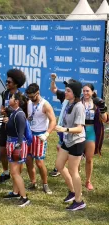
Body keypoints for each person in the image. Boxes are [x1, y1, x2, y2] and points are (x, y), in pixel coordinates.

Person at [55, 80, 86, 211]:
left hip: (77, 142)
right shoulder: (69, 103)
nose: (66, 92)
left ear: (75, 94)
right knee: (59, 165)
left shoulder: (79, 106)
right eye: (66, 90)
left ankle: (79, 201)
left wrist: (64, 130)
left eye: (68, 91)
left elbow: (79, 128)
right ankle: (73, 191)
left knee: (74, 171)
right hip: (67, 141)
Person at [0, 69, 26, 184]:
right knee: (2, 150)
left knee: (16, 153)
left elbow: (22, 114)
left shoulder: (20, 96)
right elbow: (3, 107)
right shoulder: (5, 93)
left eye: (9, 82)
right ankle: (5, 172)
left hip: (14, 126)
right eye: (6, 81)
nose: (6, 83)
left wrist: (10, 116)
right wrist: (3, 111)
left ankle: (17, 175)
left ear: (16, 84)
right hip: (4, 124)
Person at [25, 83, 56, 194]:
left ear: (38, 93)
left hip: (40, 135)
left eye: (32, 96)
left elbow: (53, 120)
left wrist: (47, 134)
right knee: (28, 160)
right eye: (29, 96)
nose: (30, 98)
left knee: (39, 162)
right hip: (29, 134)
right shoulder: (29, 102)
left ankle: (45, 184)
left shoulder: (45, 105)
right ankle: (33, 183)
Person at [3, 92, 30, 207]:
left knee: (14, 172)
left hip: (16, 144)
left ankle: (24, 197)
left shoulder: (19, 114)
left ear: (17, 101)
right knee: (16, 171)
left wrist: (17, 148)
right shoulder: (14, 113)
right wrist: (7, 122)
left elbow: (20, 133)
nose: (9, 99)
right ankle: (15, 192)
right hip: (11, 143)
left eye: (12, 98)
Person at [49, 74, 77, 177]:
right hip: (61, 129)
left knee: (63, 148)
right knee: (60, 147)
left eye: (68, 88)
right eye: (66, 88)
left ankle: (63, 168)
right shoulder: (64, 97)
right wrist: (53, 79)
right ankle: (62, 167)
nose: (66, 90)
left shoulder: (78, 103)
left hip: (70, 130)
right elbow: (53, 89)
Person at [81, 84, 108, 190]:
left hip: (91, 131)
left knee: (89, 158)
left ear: (92, 92)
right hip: (80, 131)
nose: (85, 93)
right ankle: (76, 177)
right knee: (77, 157)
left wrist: (102, 109)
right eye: (83, 91)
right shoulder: (79, 102)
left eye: (87, 91)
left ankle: (88, 181)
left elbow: (105, 119)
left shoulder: (97, 102)